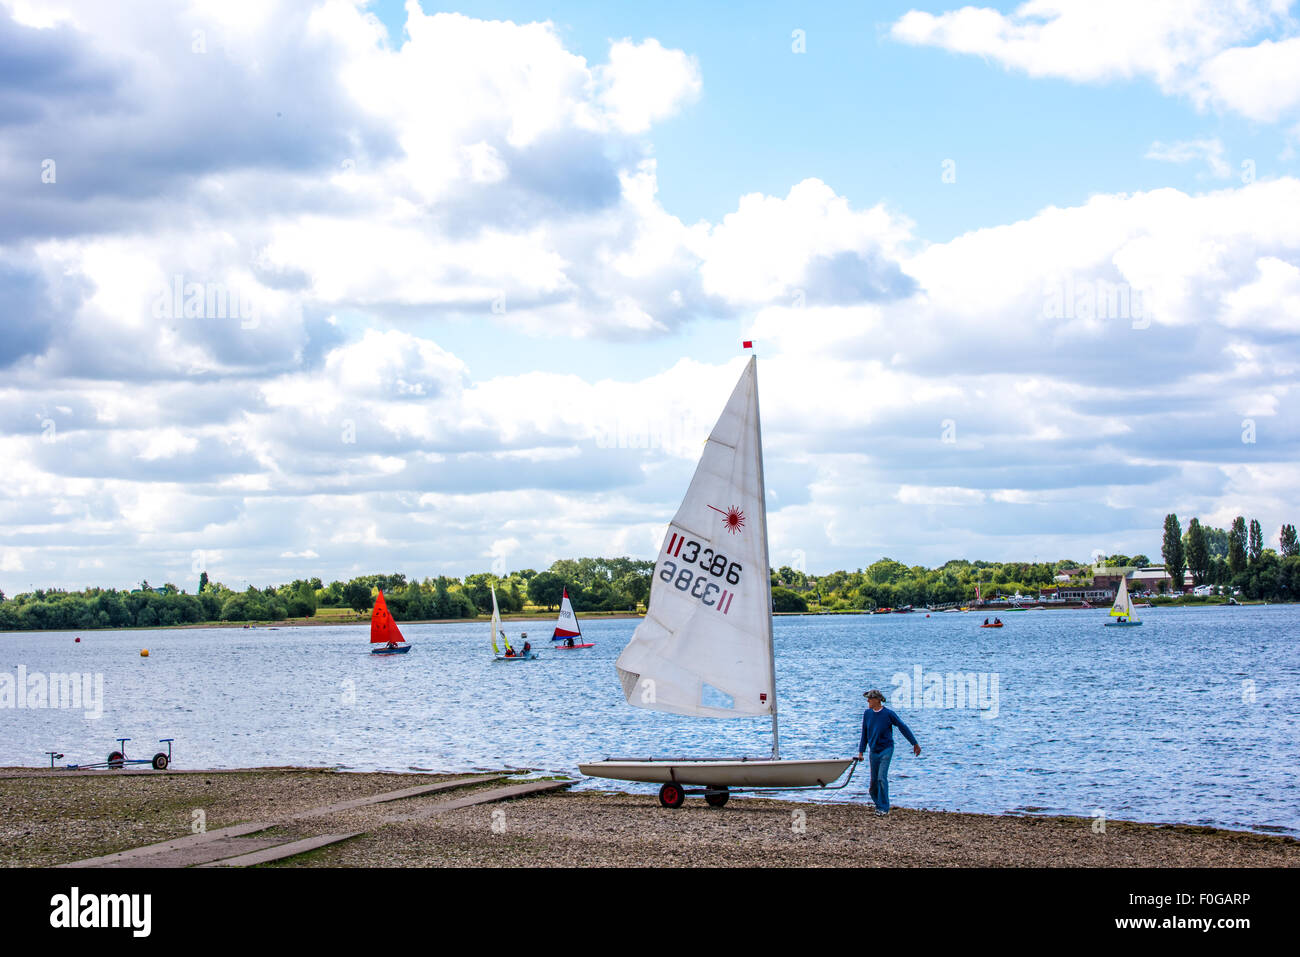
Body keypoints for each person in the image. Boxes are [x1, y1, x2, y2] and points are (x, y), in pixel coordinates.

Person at [855, 689, 920, 816]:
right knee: (873, 783)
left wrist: (914, 743)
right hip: (873, 751)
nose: (868, 701)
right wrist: (861, 751)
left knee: (881, 778)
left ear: (877, 700)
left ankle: (884, 808)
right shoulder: (867, 714)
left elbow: (902, 727)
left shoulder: (888, 714)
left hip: (886, 749)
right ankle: (879, 805)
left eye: (870, 698)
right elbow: (864, 733)